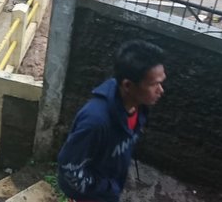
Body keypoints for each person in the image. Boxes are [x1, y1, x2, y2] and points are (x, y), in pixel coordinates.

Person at [57, 40, 166, 202]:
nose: (161, 90)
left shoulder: (139, 106)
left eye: (161, 82)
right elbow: (69, 169)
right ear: (128, 85)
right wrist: (106, 189)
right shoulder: (95, 122)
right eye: (154, 84)